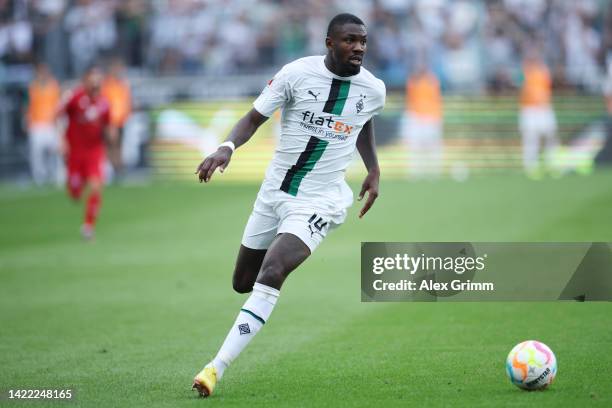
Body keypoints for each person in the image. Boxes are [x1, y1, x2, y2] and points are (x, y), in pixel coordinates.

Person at [192, 13, 386, 398]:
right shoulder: (296, 74)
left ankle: (215, 368)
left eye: (363, 41)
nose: (359, 47)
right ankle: (251, 313)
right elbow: (253, 118)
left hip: (321, 200)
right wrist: (226, 148)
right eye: (350, 40)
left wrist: (374, 168)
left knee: (273, 270)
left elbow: (363, 120)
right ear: (329, 42)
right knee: (242, 282)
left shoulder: (373, 88)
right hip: (274, 192)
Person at [57, 65, 116, 240]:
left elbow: (108, 124)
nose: (96, 82)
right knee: (75, 192)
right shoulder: (75, 98)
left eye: (99, 79)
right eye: (93, 78)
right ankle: (76, 186)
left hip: (94, 151)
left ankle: (88, 227)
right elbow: (59, 116)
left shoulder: (104, 103)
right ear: (86, 80)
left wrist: (111, 133)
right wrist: (61, 140)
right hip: (75, 151)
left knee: (96, 187)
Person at [519, 46, 558, 178]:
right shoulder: (524, 71)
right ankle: (531, 167)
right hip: (529, 109)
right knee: (531, 139)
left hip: (544, 108)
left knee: (550, 136)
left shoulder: (543, 71)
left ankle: (552, 164)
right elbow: (521, 86)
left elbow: (547, 89)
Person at [404, 62, 443, 178]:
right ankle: (416, 173)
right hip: (416, 118)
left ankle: (434, 173)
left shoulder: (432, 80)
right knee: (416, 148)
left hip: (431, 118)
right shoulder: (413, 81)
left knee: (432, 148)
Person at [27, 62, 62, 186]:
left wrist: (58, 122)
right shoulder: (32, 87)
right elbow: (28, 105)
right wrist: (28, 121)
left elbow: (58, 105)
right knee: (37, 154)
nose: (42, 74)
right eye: (40, 72)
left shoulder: (54, 86)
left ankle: (56, 174)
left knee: (56, 151)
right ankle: (39, 176)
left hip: (51, 123)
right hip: (37, 124)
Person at [101, 57, 132, 178]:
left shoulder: (123, 85)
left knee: (118, 146)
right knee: (110, 146)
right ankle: (113, 169)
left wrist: (126, 116)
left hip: (121, 121)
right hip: (110, 122)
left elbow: (126, 102)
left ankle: (117, 170)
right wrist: (109, 123)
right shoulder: (107, 85)